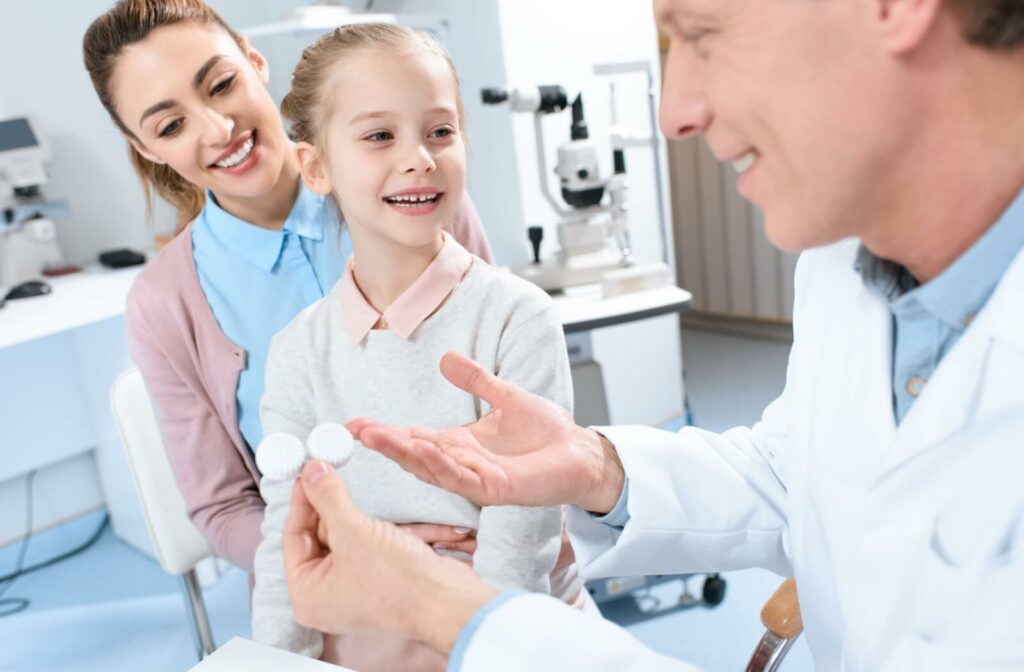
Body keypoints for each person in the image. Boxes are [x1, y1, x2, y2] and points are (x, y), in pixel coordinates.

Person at [281, 0, 1024, 669]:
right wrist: (599, 468)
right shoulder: (845, 268)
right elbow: (796, 476)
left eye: (702, 33)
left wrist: (444, 611)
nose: (673, 114)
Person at [81, 0, 494, 573]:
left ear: (254, 62)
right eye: (171, 125)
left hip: (482, 540)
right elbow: (223, 507)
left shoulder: (414, 190)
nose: (218, 129)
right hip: (331, 584)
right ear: (149, 150)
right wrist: (345, 560)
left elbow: (502, 388)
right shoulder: (164, 303)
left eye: (222, 85)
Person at [251, 24, 585, 670]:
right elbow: (283, 539)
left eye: (440, 131)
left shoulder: (518, 319)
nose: (420, 157)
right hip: (360, 625)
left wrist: (467, 634)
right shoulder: (297, 351)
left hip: (496, 629)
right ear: (316, 168)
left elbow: (520, 542)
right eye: (380, 136)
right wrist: (278, 660)